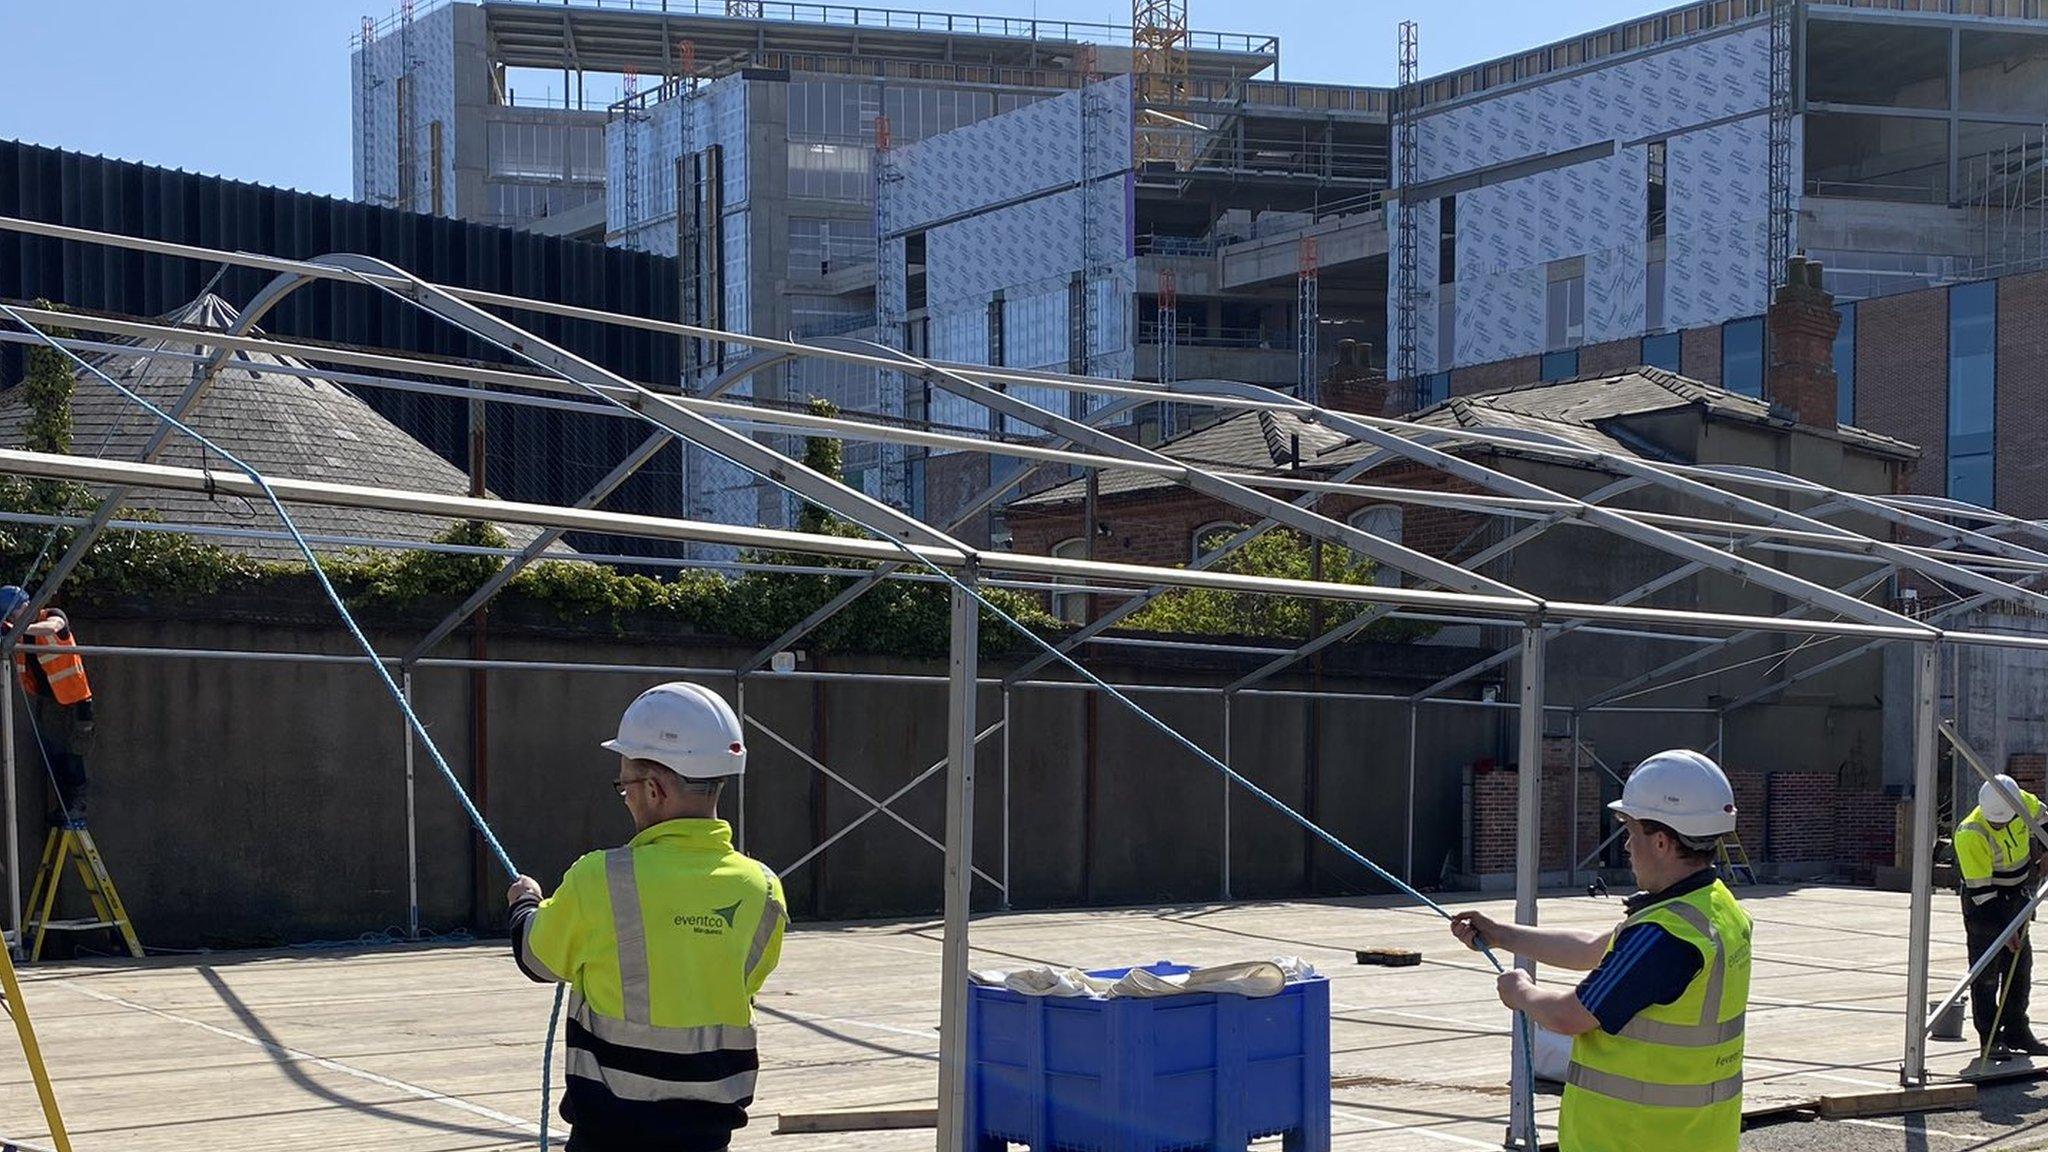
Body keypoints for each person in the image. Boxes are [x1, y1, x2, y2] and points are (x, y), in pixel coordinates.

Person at [508, 682, 787, 1152]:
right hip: (709, 1137)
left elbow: (537, 957)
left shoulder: (602, 878)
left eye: (625, 786)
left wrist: (524, 904)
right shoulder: (763, 890)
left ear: (654, 789)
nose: (626, 797)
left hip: (609, 1135)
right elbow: (740, 980)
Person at [1449, 749, 1751, 1152]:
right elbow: (1594, 948)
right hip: (1696, 1136)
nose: (1626, 845)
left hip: (1635, 1138)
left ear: (1661, 842)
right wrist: (1503, 934)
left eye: (1631, 831)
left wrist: (1519, 992)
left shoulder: (1664, 936)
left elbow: (1569, 1015)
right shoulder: (1712, 908)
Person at [1954, 773, 2048, 1057]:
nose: (1999, 824)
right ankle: (1990, 1038)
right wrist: (2005, 932)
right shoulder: (1971, 833)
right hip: (1985, 904)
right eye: (1995, 821)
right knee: (1986, 973)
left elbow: (2045, 819)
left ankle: (2017, 1030)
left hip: (2017, 894)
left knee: (2020, 969)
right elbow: (1982, 895)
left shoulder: (2020, 802)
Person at [0, 585, 94, 823]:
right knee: (55, 755)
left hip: (74, 700)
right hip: (48, 701)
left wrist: (16, 628)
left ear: (26, 605)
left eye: (14, 613)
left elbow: (53, 628)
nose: (13, 619)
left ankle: (78, 805)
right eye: (8, 616)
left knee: (73, 754)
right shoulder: (15, 632)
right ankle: (65, 805)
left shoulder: (52, 615)